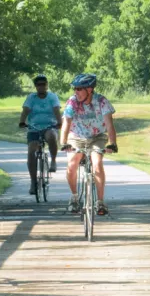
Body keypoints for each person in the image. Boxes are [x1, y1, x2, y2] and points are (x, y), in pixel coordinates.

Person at [58, 72, 117, 217]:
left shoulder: (102, 101)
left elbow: (109, 124)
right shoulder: (72, 102)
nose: (76, 92)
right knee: (72, 163)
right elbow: (66, 123)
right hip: (76, 136)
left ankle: (100, 201)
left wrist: (113, 143)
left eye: (79, 89)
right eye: (75, 89)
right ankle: (74, 197)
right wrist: (63, 142)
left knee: (97, 163)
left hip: (97, 137)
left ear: (89, 89)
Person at [17, 74, 63, 196]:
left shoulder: (52, 97)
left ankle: (53, 160)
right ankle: (33, 182)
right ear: (36, 86)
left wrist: (59, 122)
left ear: (47, 85)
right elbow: (25, 110)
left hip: (49, 126)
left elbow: (56, 110)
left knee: (51, 136)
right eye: (39, 84)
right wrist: (22, 121)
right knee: (31, 151)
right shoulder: (31, 98)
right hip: (34, 127)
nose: (41, 87)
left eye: (44, 84)